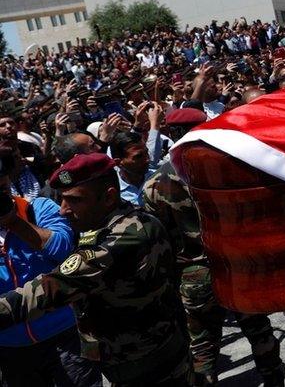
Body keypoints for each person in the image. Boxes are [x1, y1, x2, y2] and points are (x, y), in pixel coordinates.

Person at [0, 153, 190, 386]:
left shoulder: (121, 240)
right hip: (149, 357)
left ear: (109, 197)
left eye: (75, 200)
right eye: (61, 199)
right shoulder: (127, 219)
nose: (63, 210)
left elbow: (48, 290)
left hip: (149, 367)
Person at [142, 108, 285, 386]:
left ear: (171, 134)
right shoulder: (228, 167)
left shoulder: (154, 185)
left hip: (194, 275)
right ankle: (274, 378)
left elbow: (159, 240)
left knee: (202, 345)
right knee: (258, 331)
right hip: (238, 266)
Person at [0, 148, 102, 387]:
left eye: (2, 184)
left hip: (65, 336)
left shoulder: (38, 209)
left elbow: (64, 250)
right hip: (10, 346)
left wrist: (14, 222)